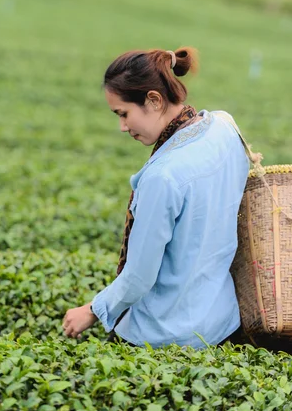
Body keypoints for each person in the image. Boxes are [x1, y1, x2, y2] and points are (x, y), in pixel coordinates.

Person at [62, 47, 249, 348]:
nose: (122, 127)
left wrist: (92, 310)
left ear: (153, 99)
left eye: (123, 114)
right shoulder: (224, 127)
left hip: (165, 335)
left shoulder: (162, 177)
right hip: (222, 321)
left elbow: (139, 277)